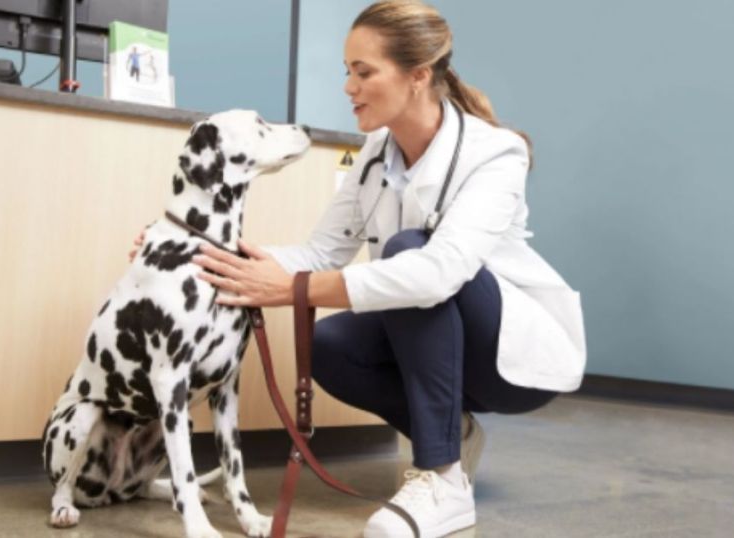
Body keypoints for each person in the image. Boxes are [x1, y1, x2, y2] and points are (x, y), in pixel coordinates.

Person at [132, 1, 586, 536]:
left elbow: (437, 273)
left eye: (363, 72)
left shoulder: (496, 153)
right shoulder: (375, 154)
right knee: (331, 345)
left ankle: (441, 478)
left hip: (510, 360)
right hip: (444, 345)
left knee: (410, 251)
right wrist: (202, 252)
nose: (349, 86)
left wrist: (292, 289)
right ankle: (452, 436)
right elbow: (321, 254)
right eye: (347, 71)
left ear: (418, 76)